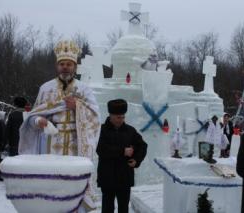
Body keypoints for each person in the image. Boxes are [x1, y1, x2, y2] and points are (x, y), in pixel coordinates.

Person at [18, 40, 100, 212]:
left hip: (75, 144)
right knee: (50, 184)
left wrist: (77, 106)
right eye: (62, 64)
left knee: (74, 183)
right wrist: (38, 121)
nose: (65, 67)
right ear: (57, 66)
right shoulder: (45, 88)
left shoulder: (84, 90)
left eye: (69, 64)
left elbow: (95, 117)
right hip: (49, 143)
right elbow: (33, 116)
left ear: (74, 66)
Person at [97, 99, 147, 213]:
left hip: (125, 177)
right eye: (118, 117)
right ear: (110, 115)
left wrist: (136, 160)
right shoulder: (101, 130)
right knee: (107, 208)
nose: (121, 120)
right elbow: (100, 149)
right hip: (107, 176)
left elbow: (143, 146)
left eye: (123, 117)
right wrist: (122, 151)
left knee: (124, 208)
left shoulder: (130, 130)